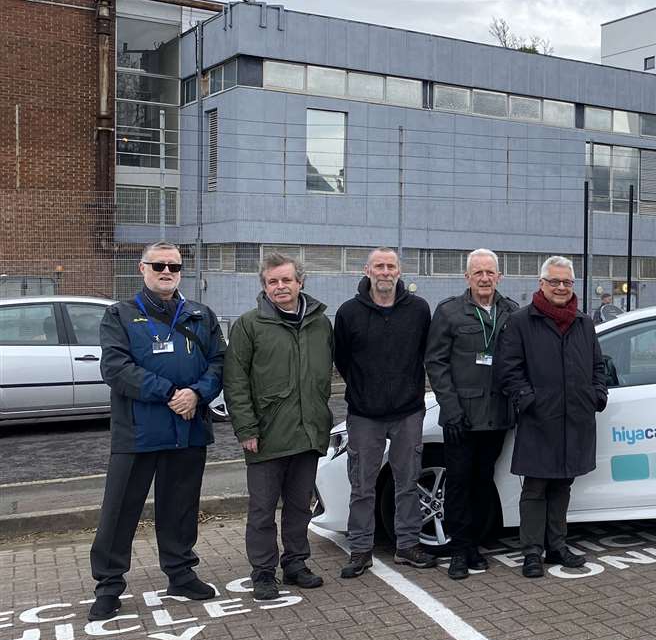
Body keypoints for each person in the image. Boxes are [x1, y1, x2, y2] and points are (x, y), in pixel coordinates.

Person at [88, 242, 226, 620]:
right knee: (119, 511)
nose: (167, 272)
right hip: (138, 432)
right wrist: (169, 393)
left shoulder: (201, 314)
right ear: (142, 268)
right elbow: (116, 369)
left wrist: (198, 393)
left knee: (181, 508)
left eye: (174, 266)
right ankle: (109, 585)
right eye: (159, 265)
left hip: (188, 429)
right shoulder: (120, 315)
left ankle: (180, 573)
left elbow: (218, 362)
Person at [224, 254, 335, 600]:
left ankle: (296, 564)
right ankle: (262, 573)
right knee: (261, 510)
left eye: (286, 280)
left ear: (300, 282)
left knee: (300, 505)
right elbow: (236, 381)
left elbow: (324, 375)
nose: (280, 287)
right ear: (264, 287)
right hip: (266, 436)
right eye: (273, 282)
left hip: (308, 432)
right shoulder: (248, 325)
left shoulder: (321, 324)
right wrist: (246, 429)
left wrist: (320, 417)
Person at [496, 256, 607, 579]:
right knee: (535, 487)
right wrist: (528, 401)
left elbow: (598, 367)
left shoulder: (584, 323)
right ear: (541, 284)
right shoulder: (521, 321)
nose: (561, 288)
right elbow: (509, 370)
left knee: (563, 485)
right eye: (554, 281)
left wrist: (596, 395)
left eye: (566, 282)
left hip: (575, 419)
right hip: (539, 420)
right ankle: (532, 552)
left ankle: (557, 545)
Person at [334, 247, 436, 578]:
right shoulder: (349, 312)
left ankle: (407, 546)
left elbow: (426, 353)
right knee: (361, 484)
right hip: (364, 414)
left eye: (391, 266)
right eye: (379, 266)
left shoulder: (419, 310)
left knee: (407, 481)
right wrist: (365, 389)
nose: (385, 272)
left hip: (408, 411)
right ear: (367, 271)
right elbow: (342, 359)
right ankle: (361, 550)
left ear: (399, 272)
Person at [425, 248, 518, 579]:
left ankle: (475, 546)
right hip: (461, 418)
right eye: (477, 272)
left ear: (499, 277)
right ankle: (458, 552)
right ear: (467, 277)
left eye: (490, 272)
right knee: (460, 484)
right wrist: (451, 410)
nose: (484, 278)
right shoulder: (449, 312)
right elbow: (435, 362)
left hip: (496, 415)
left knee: (483, 483)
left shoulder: (511, 311)